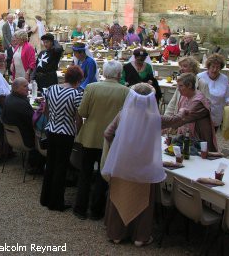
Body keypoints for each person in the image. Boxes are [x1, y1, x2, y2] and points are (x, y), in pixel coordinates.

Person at [102, 83, 165, 247]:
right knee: (142, 200)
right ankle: (140, 236)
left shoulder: (123, 114)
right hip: (144, 164)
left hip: (123, 162)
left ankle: (116, 233)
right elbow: (173, 121)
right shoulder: (154, 117)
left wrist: (117, 146)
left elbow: (107, 133)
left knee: (119, 196)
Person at [74, 60, 130, 221]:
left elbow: (83, 111)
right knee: (103, 174)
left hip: (90, 136)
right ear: (119, 74)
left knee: (85, 172)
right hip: (112, 138)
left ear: (104, 73)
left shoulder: (92, 88)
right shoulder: (125, 92)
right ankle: (96, 210)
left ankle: (80, 208)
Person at [40, 66, 84, 212]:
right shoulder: (76, 94)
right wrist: (77, 132)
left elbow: (46, 111)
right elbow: (78, 119)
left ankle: (45, 198)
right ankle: (56, 202)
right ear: (78, 80)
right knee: (61, 166)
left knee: (50, 163)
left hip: (51, 129)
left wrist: (53, 121)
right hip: (66, 132)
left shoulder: (51, 89)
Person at [161, 73, 218, 152]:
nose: (178, 89)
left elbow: (180, 120)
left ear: (190, 85)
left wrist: (161, 125)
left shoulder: (198, 102)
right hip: (188, 139)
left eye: (181, 86)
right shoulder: (185, 96)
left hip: (199, 142)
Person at [197, 53, 229, 128]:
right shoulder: (200, 77)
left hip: (217, 113)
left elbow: (227, 96)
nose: (215, 70)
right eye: (213, 67)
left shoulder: (224, 78)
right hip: (202, 112)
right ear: (208, 66)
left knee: (212, 137)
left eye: (217, 67)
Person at [1, 77, 36, 150]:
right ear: (16, 88)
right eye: (25, 86)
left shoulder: (8, 98)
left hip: (11, 137)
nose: (28, 89)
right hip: (25, 139)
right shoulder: (21, 104)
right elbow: (34, 121)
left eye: (27, 86)